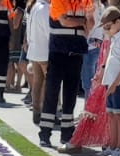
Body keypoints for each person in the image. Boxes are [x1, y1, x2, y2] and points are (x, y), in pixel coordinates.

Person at [39, 0, 91, 147]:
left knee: (71, 94)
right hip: (58, 51)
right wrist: (83, 21)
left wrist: (84, 21)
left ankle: (67, 133)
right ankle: (45, 133)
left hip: (76, 51)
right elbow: (65, 22)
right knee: (52, 92)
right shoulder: (58, 1)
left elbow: (90, 26)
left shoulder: (85, 2)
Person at [97, 7, 120, 156]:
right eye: (105, 27)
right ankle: (112, 146)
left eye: (108, 26)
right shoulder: (116, 36)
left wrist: (114, 84)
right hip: (111, 81)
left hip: (118, 83)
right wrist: (102, 72)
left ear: (118, 22)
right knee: (112, 114)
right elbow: (111, 60)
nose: (107, 30)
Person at [26, 0, 50, 109]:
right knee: (48, 82)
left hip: (35, 49)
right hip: (44, 50)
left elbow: (28, 30)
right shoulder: (45, 8)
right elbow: (49, 32)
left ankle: (36, 110)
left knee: (37, 82)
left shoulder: (35, 6)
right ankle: (46, 109)